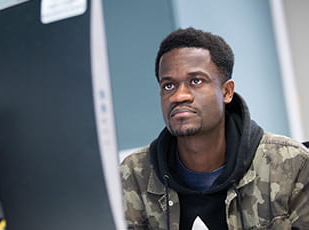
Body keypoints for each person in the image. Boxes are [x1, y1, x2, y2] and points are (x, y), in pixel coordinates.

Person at [120, 27, 309, 230]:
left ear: (227, 92)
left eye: (196, 81)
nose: (179, 96)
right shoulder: (133, 175)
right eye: (168, 86)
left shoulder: (291, 164)